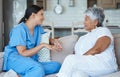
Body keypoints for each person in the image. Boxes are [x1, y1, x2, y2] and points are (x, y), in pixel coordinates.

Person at [56, 7, 118, 77]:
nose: (83, 22)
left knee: (70, 59)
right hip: (89, 67)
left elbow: (98, 48)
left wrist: (78, 60)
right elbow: (76, 55)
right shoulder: (83, 38)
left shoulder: (103, 31)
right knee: (77, 74)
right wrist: (78, 60)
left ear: (95, 22)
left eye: (86, 19)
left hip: (104, 64)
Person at [3, 5, 62, 77]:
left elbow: (44, 38)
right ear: (33, 15)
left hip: (30, 60)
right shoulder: (19, 30)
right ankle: (33, 70)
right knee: (38, 69)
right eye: (41, 14)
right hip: (15, 59)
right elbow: (23, 53)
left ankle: (23, 73)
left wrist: (53, 41)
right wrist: (43, 45)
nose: (43, 18)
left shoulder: (38, 28)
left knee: (56, 66)